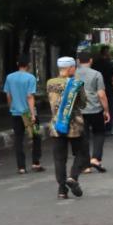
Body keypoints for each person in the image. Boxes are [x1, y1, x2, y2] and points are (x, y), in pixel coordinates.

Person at [45, 56, 88, 200]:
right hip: (74, 125)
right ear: (70, 68)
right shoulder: (76, 84)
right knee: (82, 154)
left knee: (59, 159)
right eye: (74, 67)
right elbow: (83, 103)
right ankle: (73, 177)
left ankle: (62, 190)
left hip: (56, 125)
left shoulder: (50, 83)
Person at [3, 57, 43, 174]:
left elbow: (8, 95)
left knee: (18, 138)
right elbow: (30, 96)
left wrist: (11, 106)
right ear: (29, 65)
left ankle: (21, 167)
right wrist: (32, 113)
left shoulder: (9, 77)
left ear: (17, 64)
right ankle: (36, 163)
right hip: (28, 112)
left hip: (15, 112)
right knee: (36, 136)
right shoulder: (31, 78)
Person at [75, 51, 112, 173]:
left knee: (82, 137)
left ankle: (85, 166)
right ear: (91, 60)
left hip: (79, 111)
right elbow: (101, 94)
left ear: (78, 61)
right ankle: (95, 158)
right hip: (95, 110)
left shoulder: (73, 74)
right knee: (99, 133)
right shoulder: (97, 74)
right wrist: (106, 110)